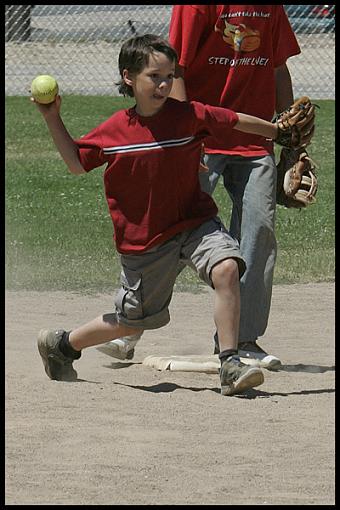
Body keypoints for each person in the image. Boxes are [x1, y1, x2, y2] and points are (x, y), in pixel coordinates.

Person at [34, 34, 285, 396]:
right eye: (154, 76)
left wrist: (278, 132)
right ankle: (63, 345)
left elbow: (234, 120)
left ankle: (229, 363)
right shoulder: (115, 131)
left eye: (169, 76)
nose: (164, 84)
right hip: (146, 242)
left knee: (227, 266)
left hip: (194, 222)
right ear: (128, 78)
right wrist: (52, 117)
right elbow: (76, 163)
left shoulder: (187, 116)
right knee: (130, 322)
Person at [101, 5, 300, 370]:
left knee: (259, 232)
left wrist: (292, 141)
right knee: (169, 228)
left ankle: (243, 339)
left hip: (254, 140)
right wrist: (183, 137)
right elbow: (176, 68)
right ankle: (129, 325)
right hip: (202, 135)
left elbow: (277, 66)